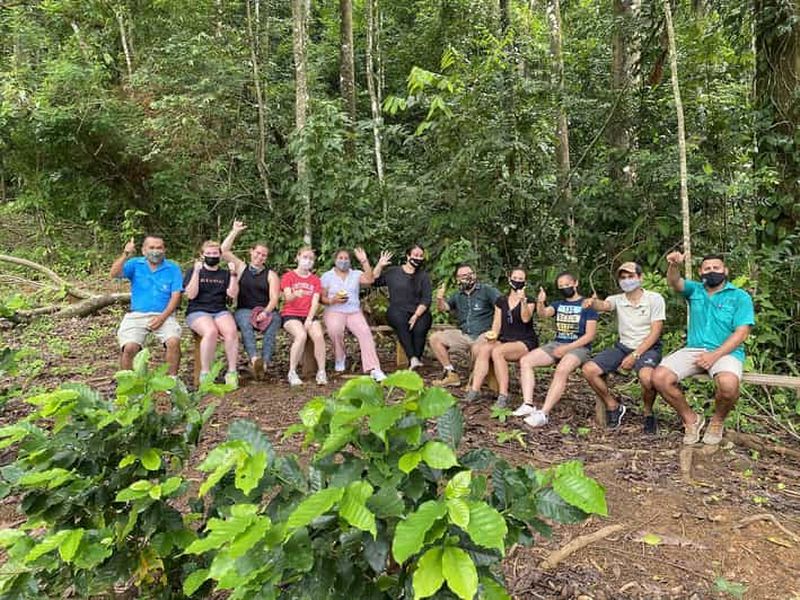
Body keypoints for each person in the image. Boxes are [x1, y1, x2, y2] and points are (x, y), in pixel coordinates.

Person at [652, 252, 754, 445]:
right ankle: (691, 419)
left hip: (725, 352)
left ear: (725, 270)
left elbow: (741, 333)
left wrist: (714, 355)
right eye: (707, 268)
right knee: (659, 378)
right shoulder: (695, 290)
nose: (712, 271)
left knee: (728, 386)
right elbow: (675, 282)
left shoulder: (740, 297)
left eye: (716, 267)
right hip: (694, 349)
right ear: (701, 272)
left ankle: (717, 422)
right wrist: (674, 265)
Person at [581, 262, 666, 432]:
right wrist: (592, 302)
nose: (627, 281)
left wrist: (635, 355)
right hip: (622, 347)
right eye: (623, 277)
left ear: (640, 278)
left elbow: (655, 332)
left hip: (648, 348)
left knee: (647, 378)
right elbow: (604, 305)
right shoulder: (617, 299)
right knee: (589, 370)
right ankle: (613, 406)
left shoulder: (654, 298)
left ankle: (648, 413)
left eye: (631, 276)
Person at [516, 271, 598, 428]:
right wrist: (541, 302)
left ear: (576, 283)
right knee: (526, 360)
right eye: (561, 286)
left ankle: (544, 413)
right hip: (558, 343)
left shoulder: (587, 305)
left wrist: (568, 348)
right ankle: (528, 404)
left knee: (562, 369)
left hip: (579, 347)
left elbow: (590, 335)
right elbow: (544, 314)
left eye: (567, 284)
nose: (565, 288)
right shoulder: (558, 304)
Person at [464, 268, 538, 407]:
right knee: (485, 349)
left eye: (521, 279)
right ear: (509, 279)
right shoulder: (501, 301)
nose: (517, 281)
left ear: (525, 282)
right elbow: (496, 324)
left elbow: (526, 318)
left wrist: (522, 300)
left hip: (524, 340)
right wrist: (491, 337)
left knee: (499, 352)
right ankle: (475, 389)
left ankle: (503, 394)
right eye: (515, 278)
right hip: (505, 338)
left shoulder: (529, 300)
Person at [110, 236, 183, 375]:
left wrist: (162, 318)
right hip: (137, 314)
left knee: (173, 342)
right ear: (144, 250)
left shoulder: (172, 268)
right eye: (152, 247)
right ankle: (129, 384)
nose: (156, 251)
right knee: (130, 347)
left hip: (164, 314)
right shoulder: (135, 264)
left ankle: (171, 381)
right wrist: (125, 255)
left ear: (164, 250)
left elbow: (176, 296)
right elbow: (114, 274)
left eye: (159, 248)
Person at [220, 221, 282, 380]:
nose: (260, 257)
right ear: (251, 252)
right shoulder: (241, 267)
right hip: (244, 309)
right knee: (245, 322)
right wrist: (234, 231)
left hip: (266, 309)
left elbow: (275, 297)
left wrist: (265, 312)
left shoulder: (270, 274)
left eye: (264, 255)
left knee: (274, 322)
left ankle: (265, 363)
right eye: (258, 253)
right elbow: (224, 251)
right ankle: (254, 359)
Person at [320, 248, 387, 382]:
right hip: (334, 310)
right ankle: (340, 357)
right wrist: (333, 300)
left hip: (353, 311)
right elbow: (322, 298)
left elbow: (369, 280)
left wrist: (364, 261)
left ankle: (374, 368)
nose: (343, 261)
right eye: (340, 258)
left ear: (350, 261)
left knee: (365, 332)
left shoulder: (356, 274)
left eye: (346, 259)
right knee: (335, 330)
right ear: (335, 260)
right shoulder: (327, 276)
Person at [430, 263, 501, 387]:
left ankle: (474, 383)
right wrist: (440, 298)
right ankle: (451, 373)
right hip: (464, 334)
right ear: (457, 279)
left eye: (470, 274)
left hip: (483, 334)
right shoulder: (457, 295)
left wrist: (495, 332)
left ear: (475, 275)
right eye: (463, 276)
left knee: (477, 349)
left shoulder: (487, 290)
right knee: (435, 338)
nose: (467, 278)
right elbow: (444, 308)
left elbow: (502, 305)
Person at [184, 241, 240, 388]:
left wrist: (233, 274)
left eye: (215, 253)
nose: (211, 256)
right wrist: (196, 272)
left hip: (219, 310)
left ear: (220, 255)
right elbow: (190, 295)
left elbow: (232, 295)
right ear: (202, 255)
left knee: (231, 332)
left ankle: (232, 372)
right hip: (197, 310)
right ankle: (205, 373)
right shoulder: (193, 271)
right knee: (211, 331)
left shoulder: (225, 274)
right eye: (208, 254)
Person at [372, 245, 432, 370]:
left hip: (418, 311)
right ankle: (413, 358)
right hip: (397, 310)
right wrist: (380, 265)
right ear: (408, 256)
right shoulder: (393, 272)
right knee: (401, 323)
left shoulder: (423, 276)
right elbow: (374, 281)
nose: (418, 258)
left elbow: (426, 299)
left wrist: (416, 315)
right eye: (415, 255)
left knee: (420, 327)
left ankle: (416, 359)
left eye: (421, 256)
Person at [281, 246, 327, 386]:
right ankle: (292, 372)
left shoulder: (315, 280)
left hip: (309, 315)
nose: (308, 261)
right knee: (301, 335)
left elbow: (315, 302)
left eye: (311, 258)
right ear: (298, 258)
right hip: (291, 314)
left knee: (318, 335)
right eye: (305, 257)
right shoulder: (288, 276)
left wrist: (309, 319)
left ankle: (321, 371)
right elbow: (287, 297)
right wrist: (295, 294)